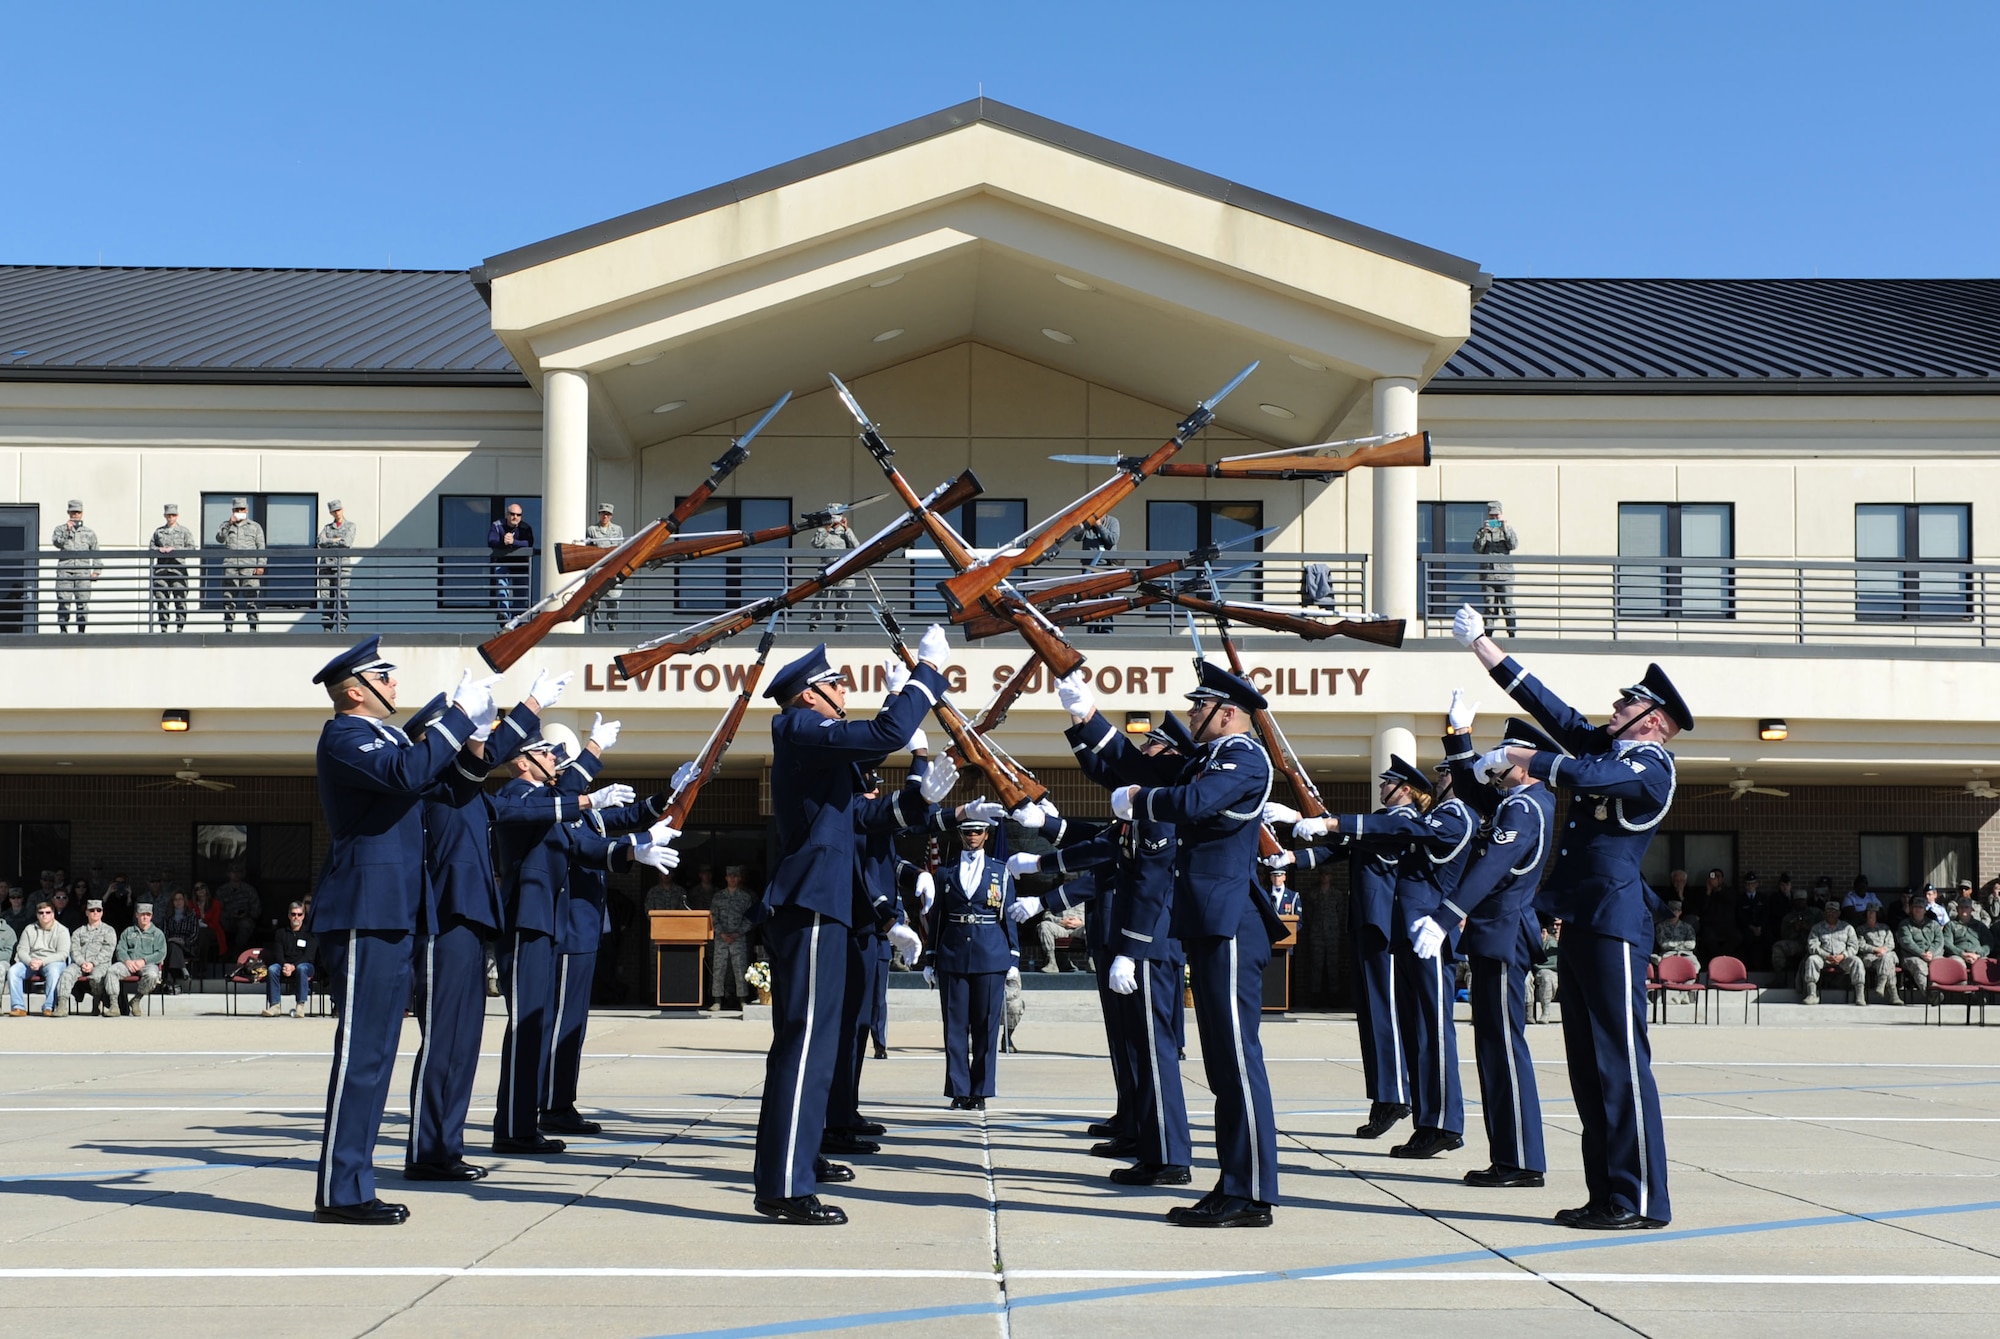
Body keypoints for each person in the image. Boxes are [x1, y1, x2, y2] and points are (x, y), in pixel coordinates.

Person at [1454, 600, 1690, 1231]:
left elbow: (1583, 773)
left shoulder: (1650, 766)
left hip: (1615, 926)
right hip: (1584, 921)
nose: (1612, 712)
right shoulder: (1609, 754)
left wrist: (1529, 761)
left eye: (1626, 706)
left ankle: (1638, 1198)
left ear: (1653, 721)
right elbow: (1551, 712)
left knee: (1619, 1058)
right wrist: (1486, 649)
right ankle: (1607, 1192)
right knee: (1587, 1064)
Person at [1057, 660, 1285, 1228]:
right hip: (1209, 922)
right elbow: (1139, 768)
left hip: (1231, 922)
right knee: (1220, 1062)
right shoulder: (1209, 758)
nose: (1190, 714)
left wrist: (1138, 800)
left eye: (1198, 706)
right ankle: (1236, 1184)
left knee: (1236, 1059)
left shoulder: (1242, 756)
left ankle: (1250, 1193)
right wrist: (1086, 717)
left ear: (1226, 712)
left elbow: (1189, 803)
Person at [752, 635, 953, 1225]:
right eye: (837, 685)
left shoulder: (817, 748)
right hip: (811, 902)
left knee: (819, 1045)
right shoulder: (796, 727)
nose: (844, 694)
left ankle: (801, 1162)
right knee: (805, 1043)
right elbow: (885, 734)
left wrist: (920, 795)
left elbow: (863, 817)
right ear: (810, 694)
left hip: (828, 904)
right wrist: (925, 676)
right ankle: (783, 1185)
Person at [305, 635, 496, 1226]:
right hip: (368, 909)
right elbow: (406, 771)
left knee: (380, 1053)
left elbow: (452, 788)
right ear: (355, 690)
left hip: (401, 911)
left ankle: (353, 1184)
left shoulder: (389, 739)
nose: (394, 683)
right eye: (383, 676)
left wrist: (478, 738)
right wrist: (455, 716)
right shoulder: (346, 736)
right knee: (361, 1053)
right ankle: (342, 1191)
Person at [490, 718, 668, 1156]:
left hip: (544, 921)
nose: (554, 760)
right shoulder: (516, 796)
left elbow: (582, 846)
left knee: (539, 1025)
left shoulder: (547, 802)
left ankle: (521, 1124)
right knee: (530, 1026)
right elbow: (552, 806)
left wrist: (634, 848)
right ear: (523, 760)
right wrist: (589, 763)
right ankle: (514, 1126)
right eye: (546, 753)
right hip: (527, 920)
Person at [1296, 748, 1477, 1164]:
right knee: (1418, 1028)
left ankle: (1443, 1124)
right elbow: (1360, 843)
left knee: (1432, 1028)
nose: (1442, 778)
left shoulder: (1450, 817)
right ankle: (1430, 1121)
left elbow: (1394, 829)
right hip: (1409, 931)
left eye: (1447, 773)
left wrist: (1329, 821)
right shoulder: (1430, 818)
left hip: (1427, 930)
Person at [1436, 708, 1559, 1189]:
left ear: (1524, 764)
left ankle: (1522, 1160)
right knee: (1493, 1046)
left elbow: (1494, 867)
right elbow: (1470, 788)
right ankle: (1510, 1155)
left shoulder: (1524, 806)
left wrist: (1448, 911)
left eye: (1505, 755)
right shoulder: (1517, 801)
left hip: (1504, 933)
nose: (1495, 763)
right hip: (1495, 935)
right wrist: (1459, 736)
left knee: (1504, 1048)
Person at [924, 815, 1020, 1110]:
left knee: (985, 1026)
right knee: (954, 1027)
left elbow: (1008, 916)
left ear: (987, 834)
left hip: (990, 953)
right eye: (967, 832)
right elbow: (936, 916)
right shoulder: (945, 872)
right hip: (953, 953)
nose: (972, 836)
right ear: (961, 835)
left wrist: (1014, 957)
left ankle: (980, 1090)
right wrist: (931, 956)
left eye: (978, 831)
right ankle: (958, 1089)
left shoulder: (1000, 871)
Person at [58, 898, 119, 1017]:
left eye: (98, 910)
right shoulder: (78, 932)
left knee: (96, 977)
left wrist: (93, 963)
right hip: (80, 964)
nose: (95, 912)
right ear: (86, 913)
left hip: (100, 964)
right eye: (91, 910)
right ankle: (62, 1005)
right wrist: (82, 963)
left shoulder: (109, 931)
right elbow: (74, 950)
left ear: (102, 912)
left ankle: (97, 1001)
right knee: (67, 973)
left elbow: (108, 950)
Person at [707, 866, 755, 1010]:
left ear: (739, 878)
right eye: (730, 876)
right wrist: (721, 933)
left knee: (740, 968)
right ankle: (717, 1000)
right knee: (719, 968)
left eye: (735, 876)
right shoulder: (718, 896)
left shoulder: (745, 897)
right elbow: (712, 916)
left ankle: (742, 999)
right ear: (726, 878)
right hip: (721, 938)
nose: (732, 879)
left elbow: (749, 918)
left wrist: (738, 932)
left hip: (738, 938)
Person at [10, 901, 70, 1015]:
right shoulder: (29, 929)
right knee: (13, 971)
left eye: (48, 912)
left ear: (53, 914)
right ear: (37, 915)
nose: (44, 915)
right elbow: (21, 950)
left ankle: (49, 1007)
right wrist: (30, 961)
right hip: (31, 961)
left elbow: (63, 954)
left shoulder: (62, 930)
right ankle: (18, 1007)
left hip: (52, 961)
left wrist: (43, 961)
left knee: (54, 971)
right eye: (41, 912)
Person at [215, 497, 266, 631]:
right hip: (230, 568)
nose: (239, 511)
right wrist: (229, 524)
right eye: (237, 509)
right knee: (229, 599)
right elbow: (219, 539)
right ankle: (229, 628)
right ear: (233, 510)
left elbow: (261, 547)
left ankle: (253, 628)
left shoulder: (255, 527)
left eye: (242, 509)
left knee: (252, 599)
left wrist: (260, 565)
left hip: (249, 568)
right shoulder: (226, 525)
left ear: (247, 510)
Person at [51, 499, 101, 632]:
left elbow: (96, 551)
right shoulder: (60, 529)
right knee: (63, 603)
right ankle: (63, 630)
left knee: (83, 603)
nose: (75, 515)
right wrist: (67, 531)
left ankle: (81, 631)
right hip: (65, 572)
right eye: (73, 512)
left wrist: (96, 570)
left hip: (82, 573)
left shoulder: (89, 533)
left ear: (82, 514)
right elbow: (57, 543)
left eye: (78, 512)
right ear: (68, 513)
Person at [108, 903, 167, 1015]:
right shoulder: (128, 932)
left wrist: (144, 960)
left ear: (151, 916)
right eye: (142, 914)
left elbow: (161, 953)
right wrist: (127, 960)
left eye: (148, 914)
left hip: (148, 964)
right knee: (112, 971)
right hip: (128, 963)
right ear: (136, 915)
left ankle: (136, 999)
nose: (145, 917)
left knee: (153, 975)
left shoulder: (158, 934)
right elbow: (120, 949)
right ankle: (114, 1005)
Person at [1801, 901, 1865, 1005]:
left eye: (1834, 911)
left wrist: (1843, 955)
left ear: (1839, 913)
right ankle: (1812, 994)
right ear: (1824, 913)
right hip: (1824, 958)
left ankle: (1859, 995)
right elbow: (1812, 945)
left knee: (1857, 961)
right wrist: (1826, 955)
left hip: (1843, 958)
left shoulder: (1847, 928)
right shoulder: (1817, 928)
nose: (1831, 913)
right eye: (1828, 911)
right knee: (1811, 960)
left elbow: (1854, 946)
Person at [807, 510, 860, 632]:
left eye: (837, 516)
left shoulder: (846, 532)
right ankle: (813, 625)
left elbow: (857, 547)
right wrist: (827, 528)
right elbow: (815, 544)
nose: (835, 519)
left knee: (844, 599)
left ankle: (840, 626)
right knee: (821, 598)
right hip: (827, 571)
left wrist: (846, 529)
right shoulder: (823, 531)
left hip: (845, 572)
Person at [263, 903, 318, 1017]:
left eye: (299, 914)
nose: (296, 917)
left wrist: (294, 966)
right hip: (285, 965)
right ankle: (275, 1005)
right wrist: (285, 965)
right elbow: (278, 954)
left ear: (303, 916)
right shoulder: (281, 933)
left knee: (302, 968)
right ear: (289, 915)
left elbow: (309, 956)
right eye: (293, 914)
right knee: (273, 969)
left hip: (305, 966)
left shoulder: (310, 934)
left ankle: (300, 1006)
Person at [1473, 501, 1519, 638]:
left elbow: (1513, 545)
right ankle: (1488, 634)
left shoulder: (1508, 530)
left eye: (1497, 516)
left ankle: (1512, 633)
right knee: (1489, 606)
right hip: (1488, 575)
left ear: (1501, 515)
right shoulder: (1482, 531)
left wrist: (1505, 529)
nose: (1494, 519)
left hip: (1505, 575)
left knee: (1508, 605)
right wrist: (1484, 533)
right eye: (1492, 516)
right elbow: (1477, 549)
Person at [149, 503, 196, 631]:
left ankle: (179, 628)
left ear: (177, 516)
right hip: (162, 571)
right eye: (169, 515)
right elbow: (151, 548)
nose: (171, 518)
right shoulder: (158, 532)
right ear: (165, 516)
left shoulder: (184, 531)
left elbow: (192, 548)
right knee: (161, 600)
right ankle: (163, 628)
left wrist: (175, 549)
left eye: (173, 515)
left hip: (178, 571)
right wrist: (160, 549)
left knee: (180, 599)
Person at [488, 503, 534, 622]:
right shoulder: (497, 525)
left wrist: (513, 542)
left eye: (518, 515)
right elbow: (491, 541)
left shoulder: (525, 527)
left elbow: (529, 543)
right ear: (506, 515)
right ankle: (503, 615)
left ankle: (516, 622)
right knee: (502, 586)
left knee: (521, 595)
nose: (515, 517)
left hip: (521, 565)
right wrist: (503, 543)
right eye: (512, 514)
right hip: (503, 562)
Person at [584, 503, 624, 632]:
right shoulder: (592, 530)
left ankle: (612, 628)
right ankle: (594, 628)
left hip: (612, 571)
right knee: (594, 602)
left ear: (611, 516)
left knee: (614, 602)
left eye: (607, 514)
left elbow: (621, 550)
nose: (605, 516)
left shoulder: (617, 530)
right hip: (597, 571)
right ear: (599, 514)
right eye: (603, 513)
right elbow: (588, 551)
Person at [318, 499, 357, 632]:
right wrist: (336, 540)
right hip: (326, 567)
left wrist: (330, 541)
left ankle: (342, 628)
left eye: (339, 510)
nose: (337, 512)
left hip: (342, 567)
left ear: (342, 509)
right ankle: (327, 628)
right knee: (326, 598)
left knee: (342, 597)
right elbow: (320, 541)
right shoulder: (327, 527)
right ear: (331, 513)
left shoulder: (350, 526)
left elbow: (347, 542)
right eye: (334, 511)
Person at [1896, 904, 1947, 1003]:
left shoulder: (1933, 924)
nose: (1918, 909)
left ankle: (1938, 991)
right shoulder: (1905, 924)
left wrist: (1931, 952)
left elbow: (1939, 941)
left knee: (1939, 964)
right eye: (1915, 907)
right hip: (1912, 955)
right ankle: (1931, 995)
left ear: (1925, 910)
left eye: (1920, 907)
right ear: (1911, 909)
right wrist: (1921, 953)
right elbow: (1907, 942)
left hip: (1933, 954)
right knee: (1919, 965)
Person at [216, 863, 262, 958]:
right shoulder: (222, 891)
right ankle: (223, 954)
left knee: (246, 925)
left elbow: (256, 910)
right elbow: (217, 909)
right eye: (233, 872)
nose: (236, 874)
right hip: (227, 920)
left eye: (238, 872)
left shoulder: (249, 890)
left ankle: (238, 954)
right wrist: (229, 914)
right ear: (228, 874)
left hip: (244, 920)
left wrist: (245, 914)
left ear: (242, 874)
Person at [1771, 882, 1816, 976]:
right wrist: (1794, 929)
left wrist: (1808, 927)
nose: (1800, 903)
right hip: (1796, 943)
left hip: (1814, 943)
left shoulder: (1816, 913)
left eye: (1802, 900)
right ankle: (1779, 977)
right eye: (1798, 900)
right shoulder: (1789, 916)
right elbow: (1783, 934)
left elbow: (1824, 929)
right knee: (1778, 946)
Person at [1856, 906, 1898, 1004]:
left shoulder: (1885, 928)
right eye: (1869, 912)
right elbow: (1860, 945)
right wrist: (1875, 949)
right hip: (1870, 957)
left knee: (1886, 958)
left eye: (1873, 912)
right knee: (1888, 961)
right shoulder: (1861, 929)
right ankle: (1893, 995)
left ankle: (1882, 984)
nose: (1870, 914)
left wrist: (1884, 950)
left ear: (1877, 914)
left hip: (1885, 954)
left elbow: (1891, 943)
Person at [1943, 899, 1992, 965]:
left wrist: (1978, 954)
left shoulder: (1979, 925)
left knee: (1984, 965)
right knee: (1955, 964)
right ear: (1957, 909)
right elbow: (1947, 943)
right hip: (1958, 955)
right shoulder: (1950, 925)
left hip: (1977, 955)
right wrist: (1962, 954)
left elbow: (1989, 943)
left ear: (1971, 910)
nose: (1964, 909)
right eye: (1961, 907)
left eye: (1966, 907)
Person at [1531, 919, 1561, 1023]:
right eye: (1552, 925)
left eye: (1558, 925)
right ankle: (1545, 1012)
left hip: (1564, 971)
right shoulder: (1545, 939)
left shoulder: (1567, 939)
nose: (1555, 928)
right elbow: (1537, 959)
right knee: (1547, 977)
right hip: (1546, 970)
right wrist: (1541, 943)